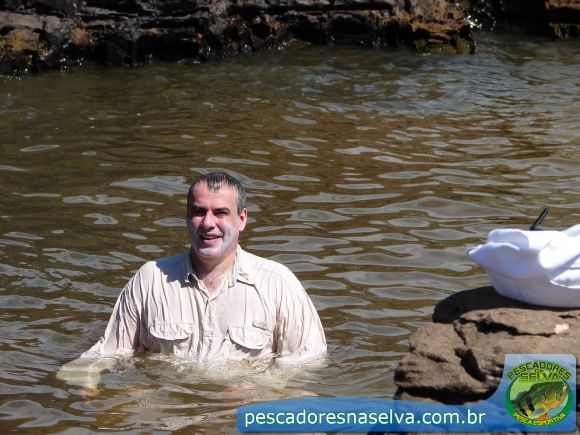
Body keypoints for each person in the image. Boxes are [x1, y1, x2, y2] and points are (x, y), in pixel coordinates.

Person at [80, 172, 326, 370]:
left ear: (241, 219)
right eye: (199, 212)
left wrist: (256, 386)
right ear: (187, 217)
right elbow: (110, 352)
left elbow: (307, 363)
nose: (208, 223)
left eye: (220, 213)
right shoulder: (150, 278)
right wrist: (84, 378)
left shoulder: (279, 284)